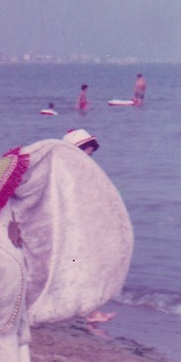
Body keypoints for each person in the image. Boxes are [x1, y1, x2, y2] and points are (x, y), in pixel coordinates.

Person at [63, 128, 114, 328]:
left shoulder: (76, 170)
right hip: (75, 228)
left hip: (80, 227)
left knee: (82, 269)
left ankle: (89, 310)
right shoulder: (71, 172)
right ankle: (90, 312)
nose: (88, 155)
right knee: (85, 268)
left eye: (90, 151)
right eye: (85, 150)